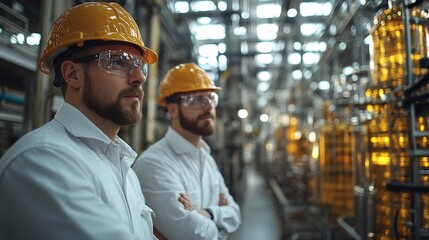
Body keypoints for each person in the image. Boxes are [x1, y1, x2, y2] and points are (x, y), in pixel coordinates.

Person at [0, 2, 158, 240]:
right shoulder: (43, 160)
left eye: (139, 66)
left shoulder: (124, 168)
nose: (138, 77)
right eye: (117, 61)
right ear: (73, 74)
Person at [133, 63, 241, 239]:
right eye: (196, 99)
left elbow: (235, 215)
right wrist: (221, 222)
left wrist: (208, 213)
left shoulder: (207, 159)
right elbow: (192, 235)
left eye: (210, 98)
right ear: (173, 109)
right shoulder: (155, 164)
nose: (208, 106)